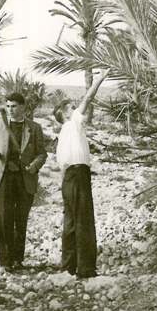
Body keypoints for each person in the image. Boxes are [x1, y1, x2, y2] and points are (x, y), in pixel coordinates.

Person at [53, 69, 110, 279]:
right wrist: (101, 78)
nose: (77, 109)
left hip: (69, 179)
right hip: (79, 175)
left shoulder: (63, 135)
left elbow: (61, 167)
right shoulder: (74, 123)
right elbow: (88, 98)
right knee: (84, 220)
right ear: (66, 113)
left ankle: (68, 266)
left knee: (70, 222)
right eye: (72, 107)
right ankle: (85, 269)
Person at [0, 92, 47, 273]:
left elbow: (42, 153)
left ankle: (18, 259)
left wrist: (34, 166)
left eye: (14, 106)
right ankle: (5, 260)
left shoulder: (34, 128)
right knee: (4, 218)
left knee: (21, 220)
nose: (10, 110)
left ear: (23, 107)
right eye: (7, 106)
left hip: (25, 179)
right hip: (4, 177)